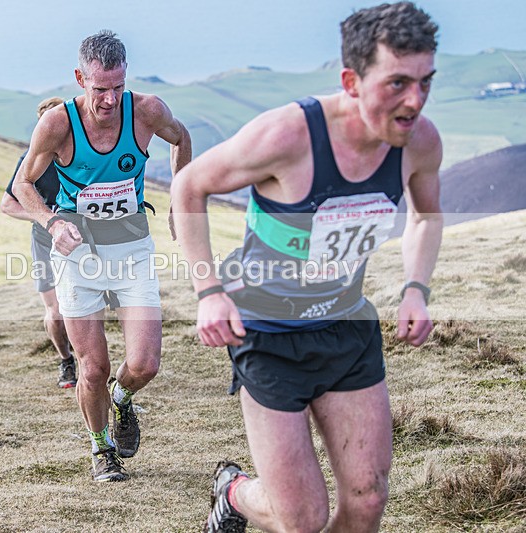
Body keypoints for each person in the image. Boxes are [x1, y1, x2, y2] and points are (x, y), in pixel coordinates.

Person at [171, 3, 442, 531]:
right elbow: (189, 185)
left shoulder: (420, 141)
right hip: (268, 336)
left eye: (426, 82)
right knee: (302, 518)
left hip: (347, 328)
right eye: (398, 84)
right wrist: (209, 291)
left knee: (366, 502)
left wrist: (416, 289)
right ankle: (233, 492)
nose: (415, 102)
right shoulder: (287, 136)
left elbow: (428, 218)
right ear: (352, 80)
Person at [13, 30, 191, 482]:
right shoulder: (57, 124)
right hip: (78, 256)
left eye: (116, 87)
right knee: (93, 367)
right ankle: (100, 448)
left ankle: (124, 400)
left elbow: (180, 137)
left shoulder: (146, 110)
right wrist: (53, 222)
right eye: (99, 89)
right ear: (80, 78)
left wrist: (180, 200)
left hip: (132, 248)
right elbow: (22, 186)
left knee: (145, 364)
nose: (109, 100)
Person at [1, 96, 77, 389]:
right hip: (46, 240)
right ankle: (66, 360)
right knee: (56, 312)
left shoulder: (81, 154)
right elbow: (7, 204)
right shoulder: (30, 161)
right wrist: (44, 218)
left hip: (83, 239)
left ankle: (92, 365)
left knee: (84, 306)